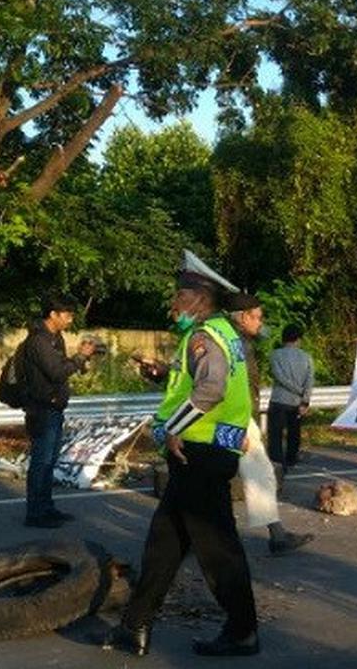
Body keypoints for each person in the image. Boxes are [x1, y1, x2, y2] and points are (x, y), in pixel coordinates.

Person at [103, 252, 259, 657]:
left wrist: (173, 427)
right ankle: (135, 625)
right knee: (164, 542)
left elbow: (212, 389)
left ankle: (243, 631)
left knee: (217, 548)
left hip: (198, 453)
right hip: (206, 450)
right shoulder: (226, 334)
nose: (173, 305)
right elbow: (219, 388)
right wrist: (163, 375)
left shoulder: (204, 336)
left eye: (179, 296)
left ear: (199, 298)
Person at [226, 293, 315, 555]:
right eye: (258, 318)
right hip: (233, 418)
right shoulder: (231, 341)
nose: (261, 324)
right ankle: (274, 535)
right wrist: (303, 397)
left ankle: (276, 534)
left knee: (259, 470)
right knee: (248, 473)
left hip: (243, 415)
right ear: (244, 317)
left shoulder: (245, 342)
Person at [17, 297, 95, 528]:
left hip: (55, 407)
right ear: (53, 314)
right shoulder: (39, 340)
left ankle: (47, 507)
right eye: (67, 315)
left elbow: (62, 367)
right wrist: (80, 356)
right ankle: (35, 513)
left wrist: (80, 360)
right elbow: (57, 372)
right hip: (41, 408)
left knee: (50, 461)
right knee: (41, 461)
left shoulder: (55, 338)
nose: (70, 320)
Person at [267, 324, 314, 470]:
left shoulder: (275, 355)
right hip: (297, 402)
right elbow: (310, 381)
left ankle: (277, 463)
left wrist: (297, 390)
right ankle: (291, 459)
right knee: (294, 433)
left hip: (279, 400)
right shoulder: (307, 357)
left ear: (283, 338)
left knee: (275, 434)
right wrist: (305, 399)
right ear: (298, 339)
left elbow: (279, 377)